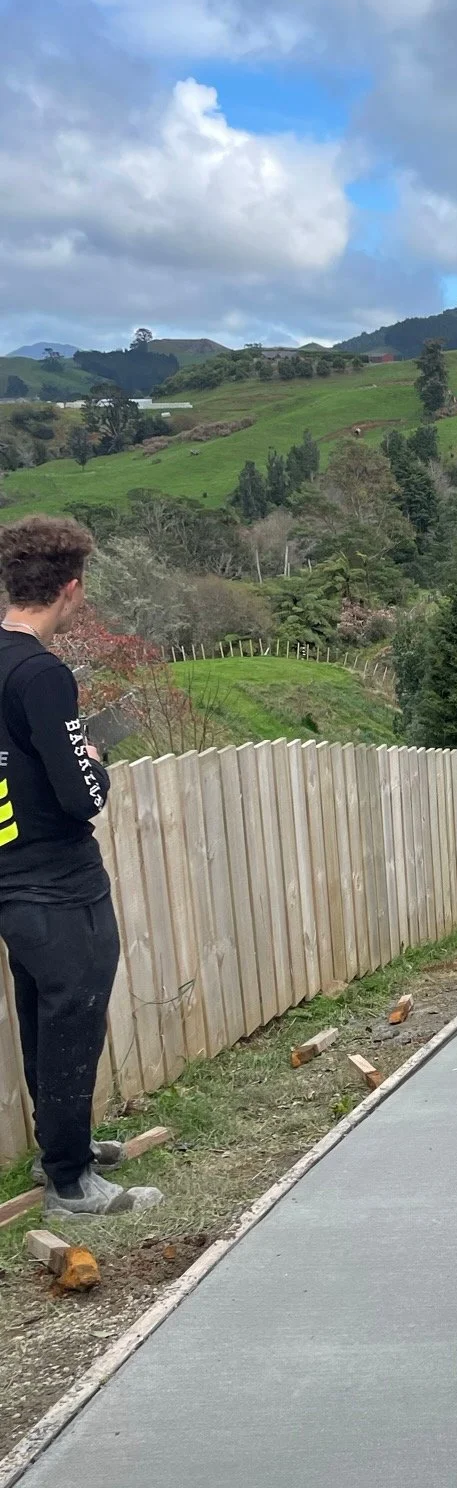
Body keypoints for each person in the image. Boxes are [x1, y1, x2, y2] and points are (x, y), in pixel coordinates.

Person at [0, 517, 161, 1219]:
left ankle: (65, 1143)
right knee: (75, 1016)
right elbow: (79, 798)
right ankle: (69, 1182)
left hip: (11, 876)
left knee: (43, 1012)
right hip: (60, 882)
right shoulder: (42, 674)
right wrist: (98, 765)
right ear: (70, 588)